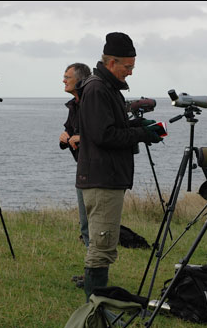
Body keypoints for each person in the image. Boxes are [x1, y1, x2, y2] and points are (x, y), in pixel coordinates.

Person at [76, 32, 164, 302]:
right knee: (101, 246)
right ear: (111, 63)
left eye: (133, 67)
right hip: (103, 179)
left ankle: (98, 303)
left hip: (107, 177)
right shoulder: (97, 89)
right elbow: (104, 135)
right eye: (128, 67)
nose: (130, 72)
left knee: (103, 243)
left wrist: (137, 126)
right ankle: (96, 308)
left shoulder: (106, 88)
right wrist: (141, 135)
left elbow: (112, 127)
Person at [60, 62, 91, 248]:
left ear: (79, 80)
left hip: (97, 168)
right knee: (85, 223)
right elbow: (69, 131)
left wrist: (82, 138)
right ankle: (90, 268)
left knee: (94, 222)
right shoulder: (74, 105)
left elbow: (103, 133)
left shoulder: (91, 103)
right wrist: (64, 137)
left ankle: (96, 271)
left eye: (67, 77)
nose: (63, 80)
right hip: (82, 167)